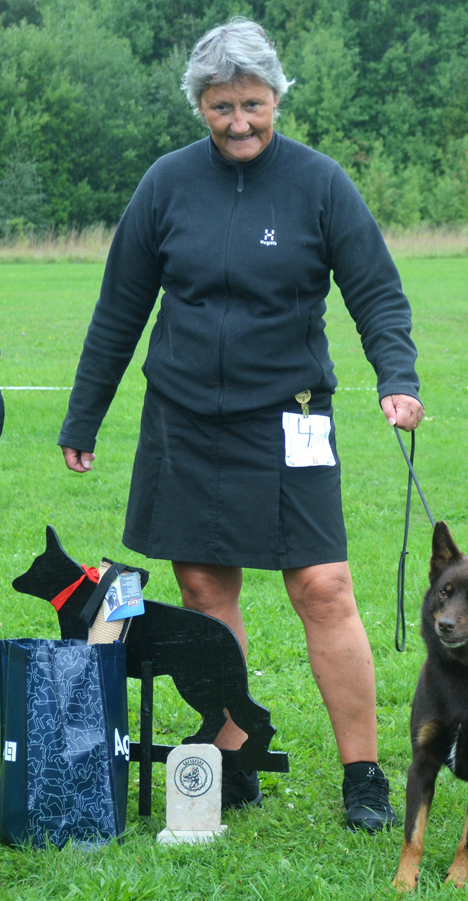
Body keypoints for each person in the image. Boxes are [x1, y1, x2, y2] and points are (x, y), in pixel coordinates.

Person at [58, 18, 423, 831]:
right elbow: (120, 309)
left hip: (291, 419)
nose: (238, 123)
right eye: (220, 107)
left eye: (252, 104)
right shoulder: (165, 185)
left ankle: (363, 775)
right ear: (199, 104)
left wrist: (396, 378)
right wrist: (85, 415)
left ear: (276, 98)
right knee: (201, 588)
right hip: (184, 418)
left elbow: (376, 293)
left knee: (322, 588)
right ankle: (232, 756)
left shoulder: (322, 185)